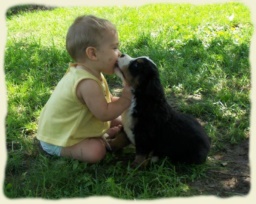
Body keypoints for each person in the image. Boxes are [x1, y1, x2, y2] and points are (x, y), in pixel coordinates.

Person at [37, 15, 132, 163]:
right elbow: (104, 113)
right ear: (93, 53)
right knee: (96, 151)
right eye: (114, 47)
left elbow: (107, 101)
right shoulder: (87, 82)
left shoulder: (92, 73)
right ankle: (98, 137)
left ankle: (102, 133)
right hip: (58, 138)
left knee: (121, 119)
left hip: (75, 124)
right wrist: (126, 99)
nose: (119, 53)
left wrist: (124, 107)